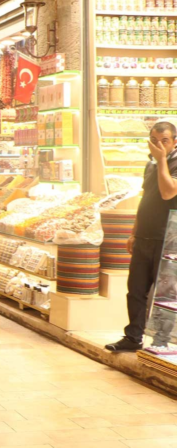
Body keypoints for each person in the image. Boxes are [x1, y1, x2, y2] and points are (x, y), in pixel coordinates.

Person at [107, 122, 177, 352]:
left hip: (168, 240)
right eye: (154, 140)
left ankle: (162, 342)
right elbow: (145, 199)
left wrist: (162, 161)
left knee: (165, 295)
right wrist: (133, 233)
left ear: (175, 141)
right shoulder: (150, 165)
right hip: (144, 237)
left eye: (164, 140)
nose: (159, 145)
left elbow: (168, 192)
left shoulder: (172, 163)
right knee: (135, 290)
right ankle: (133, 337)